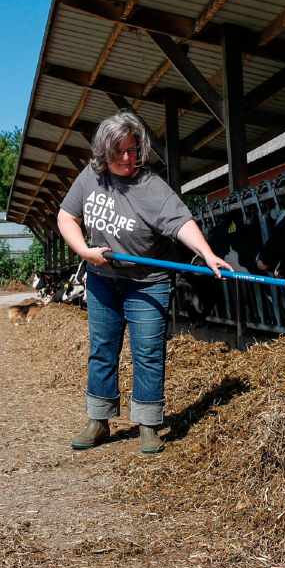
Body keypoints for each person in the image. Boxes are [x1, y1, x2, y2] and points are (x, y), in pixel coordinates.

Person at [56, 111, 232, 455]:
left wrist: (207, 254)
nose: (127, 158)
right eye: (119, 151)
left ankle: (149, 424)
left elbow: (182, 222)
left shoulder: (151, 186)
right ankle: (98, 420)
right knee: (102, 349)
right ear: (103, 152)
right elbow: (66, 216)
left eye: (133, 150)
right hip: (103, 279)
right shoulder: (91, 177)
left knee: (148, 352)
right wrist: (84, 251)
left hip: (147, 283)